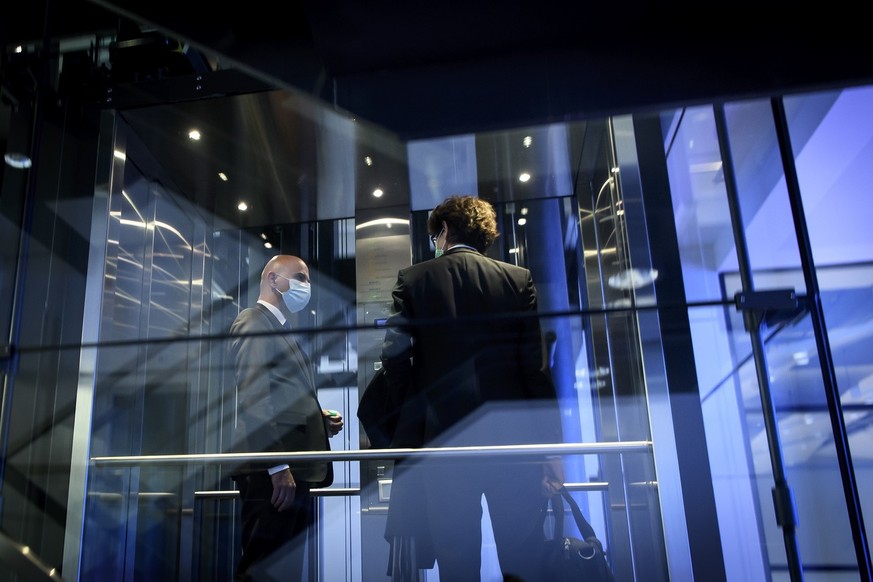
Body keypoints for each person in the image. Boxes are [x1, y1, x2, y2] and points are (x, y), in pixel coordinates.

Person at [380, 195, 565, 582]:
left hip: (444, 445)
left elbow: (395, 360)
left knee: (456, 562)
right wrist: (551, 446)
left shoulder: (414, 279)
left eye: (435, 235)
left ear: (444, 231)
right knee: (523, 558)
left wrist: (418, 420)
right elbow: (533, 369)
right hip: (513, 446)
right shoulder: (518, 280)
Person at [228, 254, 344, 581]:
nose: (306, 287)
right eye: (301, 278)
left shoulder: (279, 328)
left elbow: (280, 397)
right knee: (264, 570)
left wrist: (318, 419)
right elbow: (255, 397)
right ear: (274, 280)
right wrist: (278, 466)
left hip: (291, 473)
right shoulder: (253, 321)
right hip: (274, 476)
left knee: (285, 571)